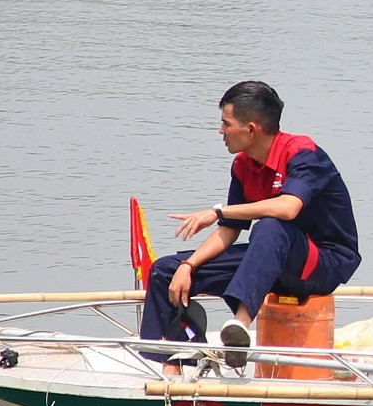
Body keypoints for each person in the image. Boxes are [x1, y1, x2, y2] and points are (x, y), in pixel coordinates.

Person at [143, 80, 360, 369]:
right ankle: (173, 365)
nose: (221, 131)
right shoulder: (243, 165)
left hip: (323, 263)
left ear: (251, 129)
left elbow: (288, 207)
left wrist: (216, 211)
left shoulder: (303, 153)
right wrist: (189, 266)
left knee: (271, 226)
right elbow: (230, 228)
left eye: (225, 123)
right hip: (271, 259)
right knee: (165, 272)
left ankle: (240, 327)